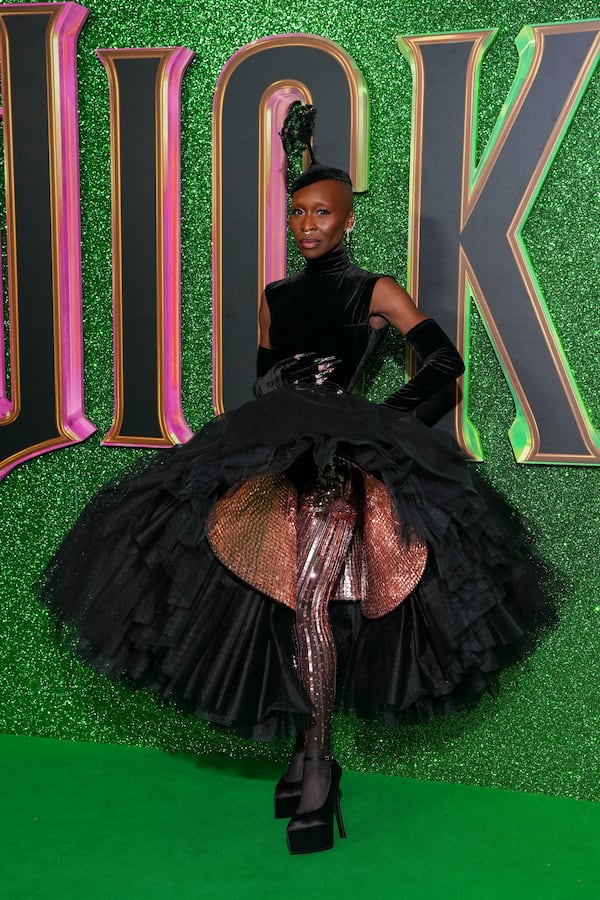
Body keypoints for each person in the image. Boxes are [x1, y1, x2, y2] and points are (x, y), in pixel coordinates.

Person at [39, 110, 543, 856]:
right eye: (300, 212)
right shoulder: (278, 295)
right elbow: (261, 383)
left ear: (344, 224)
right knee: (275, 600)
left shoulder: (374, 290)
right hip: (276, 461)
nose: (309, 225)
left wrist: (381, 421)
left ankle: (319, 760)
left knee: (313, 601)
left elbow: (444, 366)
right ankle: (303, 753)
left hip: (343, 464)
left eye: (322, 214)